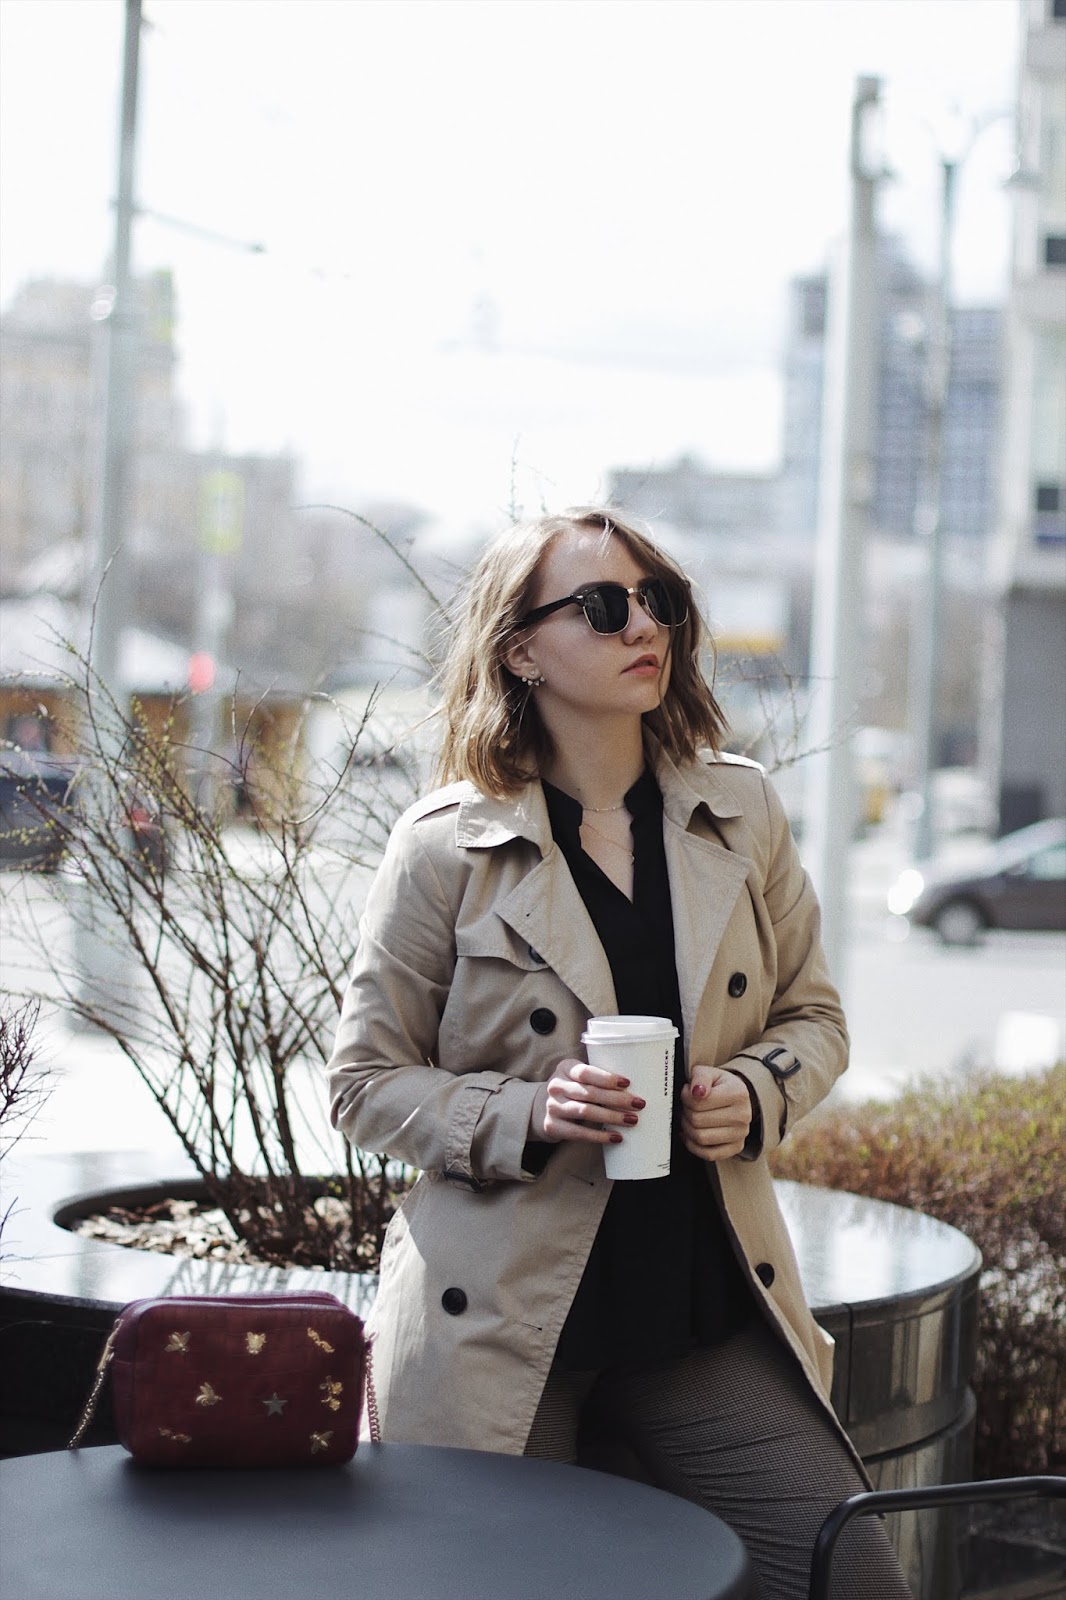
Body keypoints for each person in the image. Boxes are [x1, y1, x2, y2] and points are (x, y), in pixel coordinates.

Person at [327, 507, 911, 1600]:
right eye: (602, 606)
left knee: (853, 1577)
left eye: (659, 601)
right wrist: (525, 1114)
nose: (644, 626)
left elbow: (815, 1018)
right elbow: (363, 1082)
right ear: (520, 650)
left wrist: (754, 1092)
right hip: (500, 1319)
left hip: (695, 1309)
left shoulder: (738, 810)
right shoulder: (447, 846)